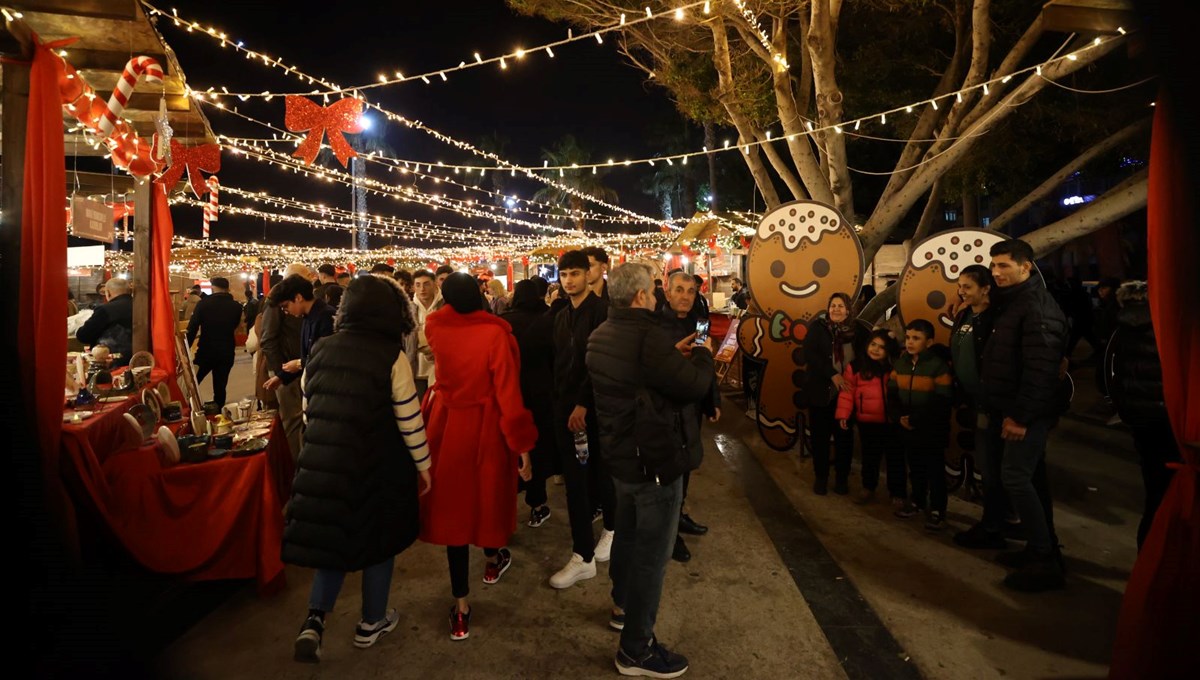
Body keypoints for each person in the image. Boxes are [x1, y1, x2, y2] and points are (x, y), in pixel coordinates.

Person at [283, 274, 432, 663]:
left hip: (325, 462)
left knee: (332, 542)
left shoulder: (318, 349)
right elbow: (409, 422)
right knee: (378, 541)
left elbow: (308, 412)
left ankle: (314, 621)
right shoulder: (392, 357)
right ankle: (372, 621)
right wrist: (425, 466)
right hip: (376, 465)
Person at [586, 262, 716, 679]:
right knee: (651, 557)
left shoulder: (600, 335)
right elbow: (692, 386)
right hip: (654, 461)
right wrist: (701, 354)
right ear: (642, 295)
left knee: (625, 535)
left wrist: (670, 358)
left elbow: (636, 380)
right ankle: (636, 649)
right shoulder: (648, 337)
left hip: (619, 457)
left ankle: (621, 606)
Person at [418, 273, 537, 641]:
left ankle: (461, 606)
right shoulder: (496, 334)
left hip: (446, 422)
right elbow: (507, 393)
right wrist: (522, 446)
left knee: (453, 509)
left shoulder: (435, 327)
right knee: (485, 498)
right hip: (485, 424)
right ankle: (491, 559)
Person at [980, 239, 1069, 592]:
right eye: (994, 266)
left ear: (1026, 267)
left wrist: (1020, 416)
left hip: (1026, 414)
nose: (997, 272)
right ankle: (1040, 550)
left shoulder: (1035, 306)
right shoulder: (1014, 303)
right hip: (1014, 409)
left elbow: (1041, 369)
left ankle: (1044, 559)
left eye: (1004, 266)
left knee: (1016, 478)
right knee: (1030, 479)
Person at [548, 249, 615, 589]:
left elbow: (599, 363)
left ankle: (611, 531)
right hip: (565, 412)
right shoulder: (561, 316)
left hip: (593, 411)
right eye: (564, 274)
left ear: (589, 274)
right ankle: (583, 555)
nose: (570, 280)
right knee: (575, 483)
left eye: (575, 273)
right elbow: (559, 364)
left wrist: (583, 403)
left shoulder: (603, 312)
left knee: (600, 476)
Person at [1105, 281, 1180, 550]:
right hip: (1171, 419)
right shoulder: (1169, 323)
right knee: (1173, 494)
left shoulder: (1123, 327)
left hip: (1140, 418)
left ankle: (1146, 558)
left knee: (1155, 492)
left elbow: (1110, 369)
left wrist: (1122, 407)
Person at [658, 271, 720, 563]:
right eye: (679, 290)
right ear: (667, 293)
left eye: (690, 291)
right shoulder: (655, 324)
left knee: (686, 467)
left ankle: (678, 516)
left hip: (692, 407)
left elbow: (706, 360)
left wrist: (712, 400)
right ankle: (668, 535)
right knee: (670, 471)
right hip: (666, 409)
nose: (684, 296)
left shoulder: (702, 324)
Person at [950, 266, 1010, 550]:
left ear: (986, 288)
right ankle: (997, 519)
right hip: (973, 400)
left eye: (967, 286)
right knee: (987, 461)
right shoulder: (965, 313)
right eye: (960, 285)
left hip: (991, 403)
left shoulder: (997, 317)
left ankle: (993, 525)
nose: (961, 291)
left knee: (990, 465)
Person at [888, 320, 954, 530]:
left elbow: (942, 401)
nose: (910, 342)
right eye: (908, 337)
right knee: (915, 466)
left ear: (929, 341)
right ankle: (917, 500)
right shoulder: (901, 364)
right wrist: (900, 417)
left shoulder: (938, 366)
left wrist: (916, 419)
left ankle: (937, 509)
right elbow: (892, 395)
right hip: (907, 427)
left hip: (930, 429)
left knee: (934, 469)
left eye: (916, 338)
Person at [501, 279, 556, 528]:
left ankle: (506, 508)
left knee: (511, 448)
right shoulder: (548, 319)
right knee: (538, 448)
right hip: (541, 394)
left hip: (510, 394)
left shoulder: (503, 322)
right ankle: (537, 504)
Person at [800, 293, 867, 495]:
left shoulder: (859, 331)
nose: (836, 309)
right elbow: (810, 354)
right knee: (820, 438)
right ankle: (821, 477)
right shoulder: (818, 328)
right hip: (821, 391)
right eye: (833, 305)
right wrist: (832, 375)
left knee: (844, 439)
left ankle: (841, 478)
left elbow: (867, 354)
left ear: (848, 310)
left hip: (846, 394)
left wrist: (849, 374)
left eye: (840, 306)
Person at [836, 329, 900, 506]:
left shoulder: (894, 366)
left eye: (882, 347)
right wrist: (844, 414)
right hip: (867, 421)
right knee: (869, 457)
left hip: (891, 421)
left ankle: (897, 492)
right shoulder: (856, 366)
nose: (876, 349)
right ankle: (868, 487)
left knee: (894, 458)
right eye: (873, 344)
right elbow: (847, 393)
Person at [259, 265, 314, 461]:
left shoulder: (305, 304)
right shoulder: (277, 302)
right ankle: (296, 466)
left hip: (301, 368)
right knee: (293, 421)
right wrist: (281, 372)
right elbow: (267, 339)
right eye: (307, 276)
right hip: (288, 372)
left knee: (304, 420)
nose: (311, 279)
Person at [186, 277, 244, 407]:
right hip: (226, 350)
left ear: (212, 287)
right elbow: (235, 326)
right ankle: (218, 413)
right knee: (220, 386)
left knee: (193, 382)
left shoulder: (204, 304)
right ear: (228, 288)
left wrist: (186, 350)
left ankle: (188, 408)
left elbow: (192, 328)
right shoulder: (236, 307)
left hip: (206, 350)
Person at [267, 274, 336, 378]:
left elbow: (329, 356)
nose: (285, 311)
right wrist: (282, 377)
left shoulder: (326, 316)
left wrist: (300, 364)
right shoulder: (307, 316)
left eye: (285, 306)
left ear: (298, 298)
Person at [76, 277, 134, 367]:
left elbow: (84, 335)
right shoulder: (141, 305)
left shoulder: (106, 309)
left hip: (112, 363)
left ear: (108, 293)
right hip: (140, 358)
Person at [411, 270, 440, 398]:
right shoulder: (408, 309)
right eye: (418, 285)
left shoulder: (444, 307)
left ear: (434, 284)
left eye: (426, 284)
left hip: (440, 370)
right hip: (416, 370)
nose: (422, 289)